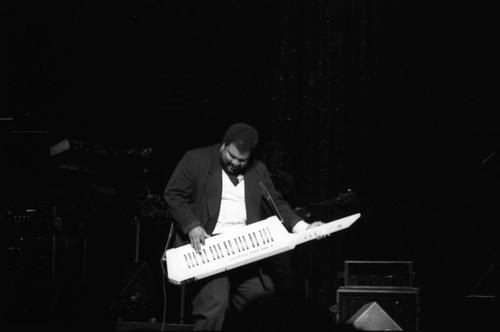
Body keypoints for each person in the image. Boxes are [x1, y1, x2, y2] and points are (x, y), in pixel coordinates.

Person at [163, 123, 323, 331]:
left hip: (247, 250)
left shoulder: (258, 169)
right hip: (210, 249)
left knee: (265, 305)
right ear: (223, 145)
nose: (236, 163)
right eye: (231, 156)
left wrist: (303, 227)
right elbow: (173, 194)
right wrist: (192, 225)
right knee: (214, 307)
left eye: (242, 160)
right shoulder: (196, 159)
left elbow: (276, 202)